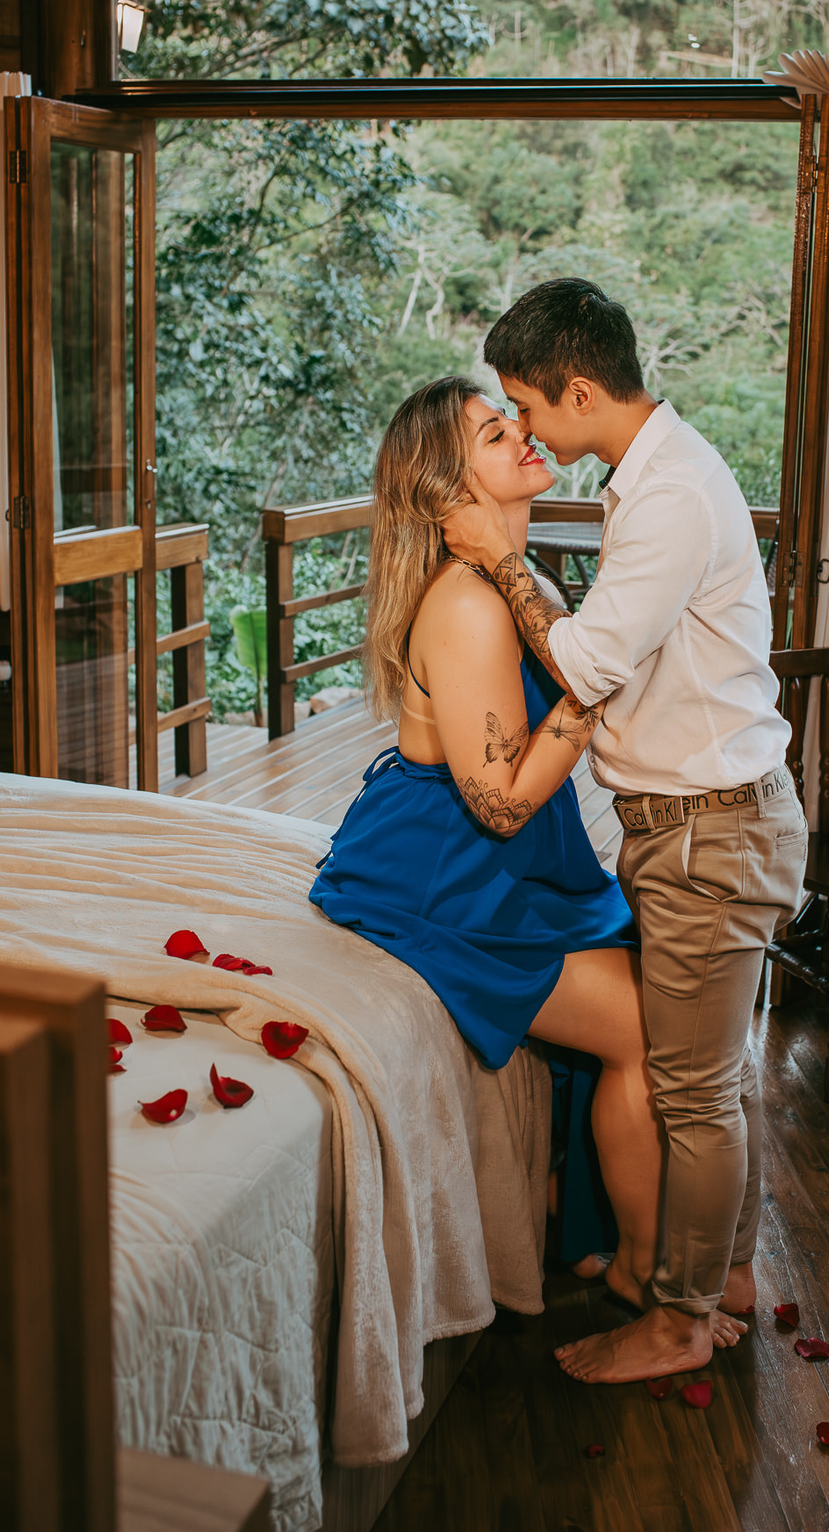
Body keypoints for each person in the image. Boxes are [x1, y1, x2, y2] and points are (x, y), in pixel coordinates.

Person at [309, 376, 742, 1342]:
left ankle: (584, 1227)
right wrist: (593, 697)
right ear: (447, 491)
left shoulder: (515, 577)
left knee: (643, 986)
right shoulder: (467, 606)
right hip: (449, 870)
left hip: (506, 857)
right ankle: (640, 1272)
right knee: (639, 1031)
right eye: (494, 433)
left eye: (514, 420)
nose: (523, 436)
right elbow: (501, 802)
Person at [443, 278, 808, 1386]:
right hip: (711, 823)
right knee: (721, 1079)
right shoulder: (655, 477)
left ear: (579, 390)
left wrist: (501, 559)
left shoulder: (670, 495)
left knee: (695, 1093)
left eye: (524, 405)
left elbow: (588, 663)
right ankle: (725, 1278)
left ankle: (679, 1320)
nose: (525, 429)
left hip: (709, 833)